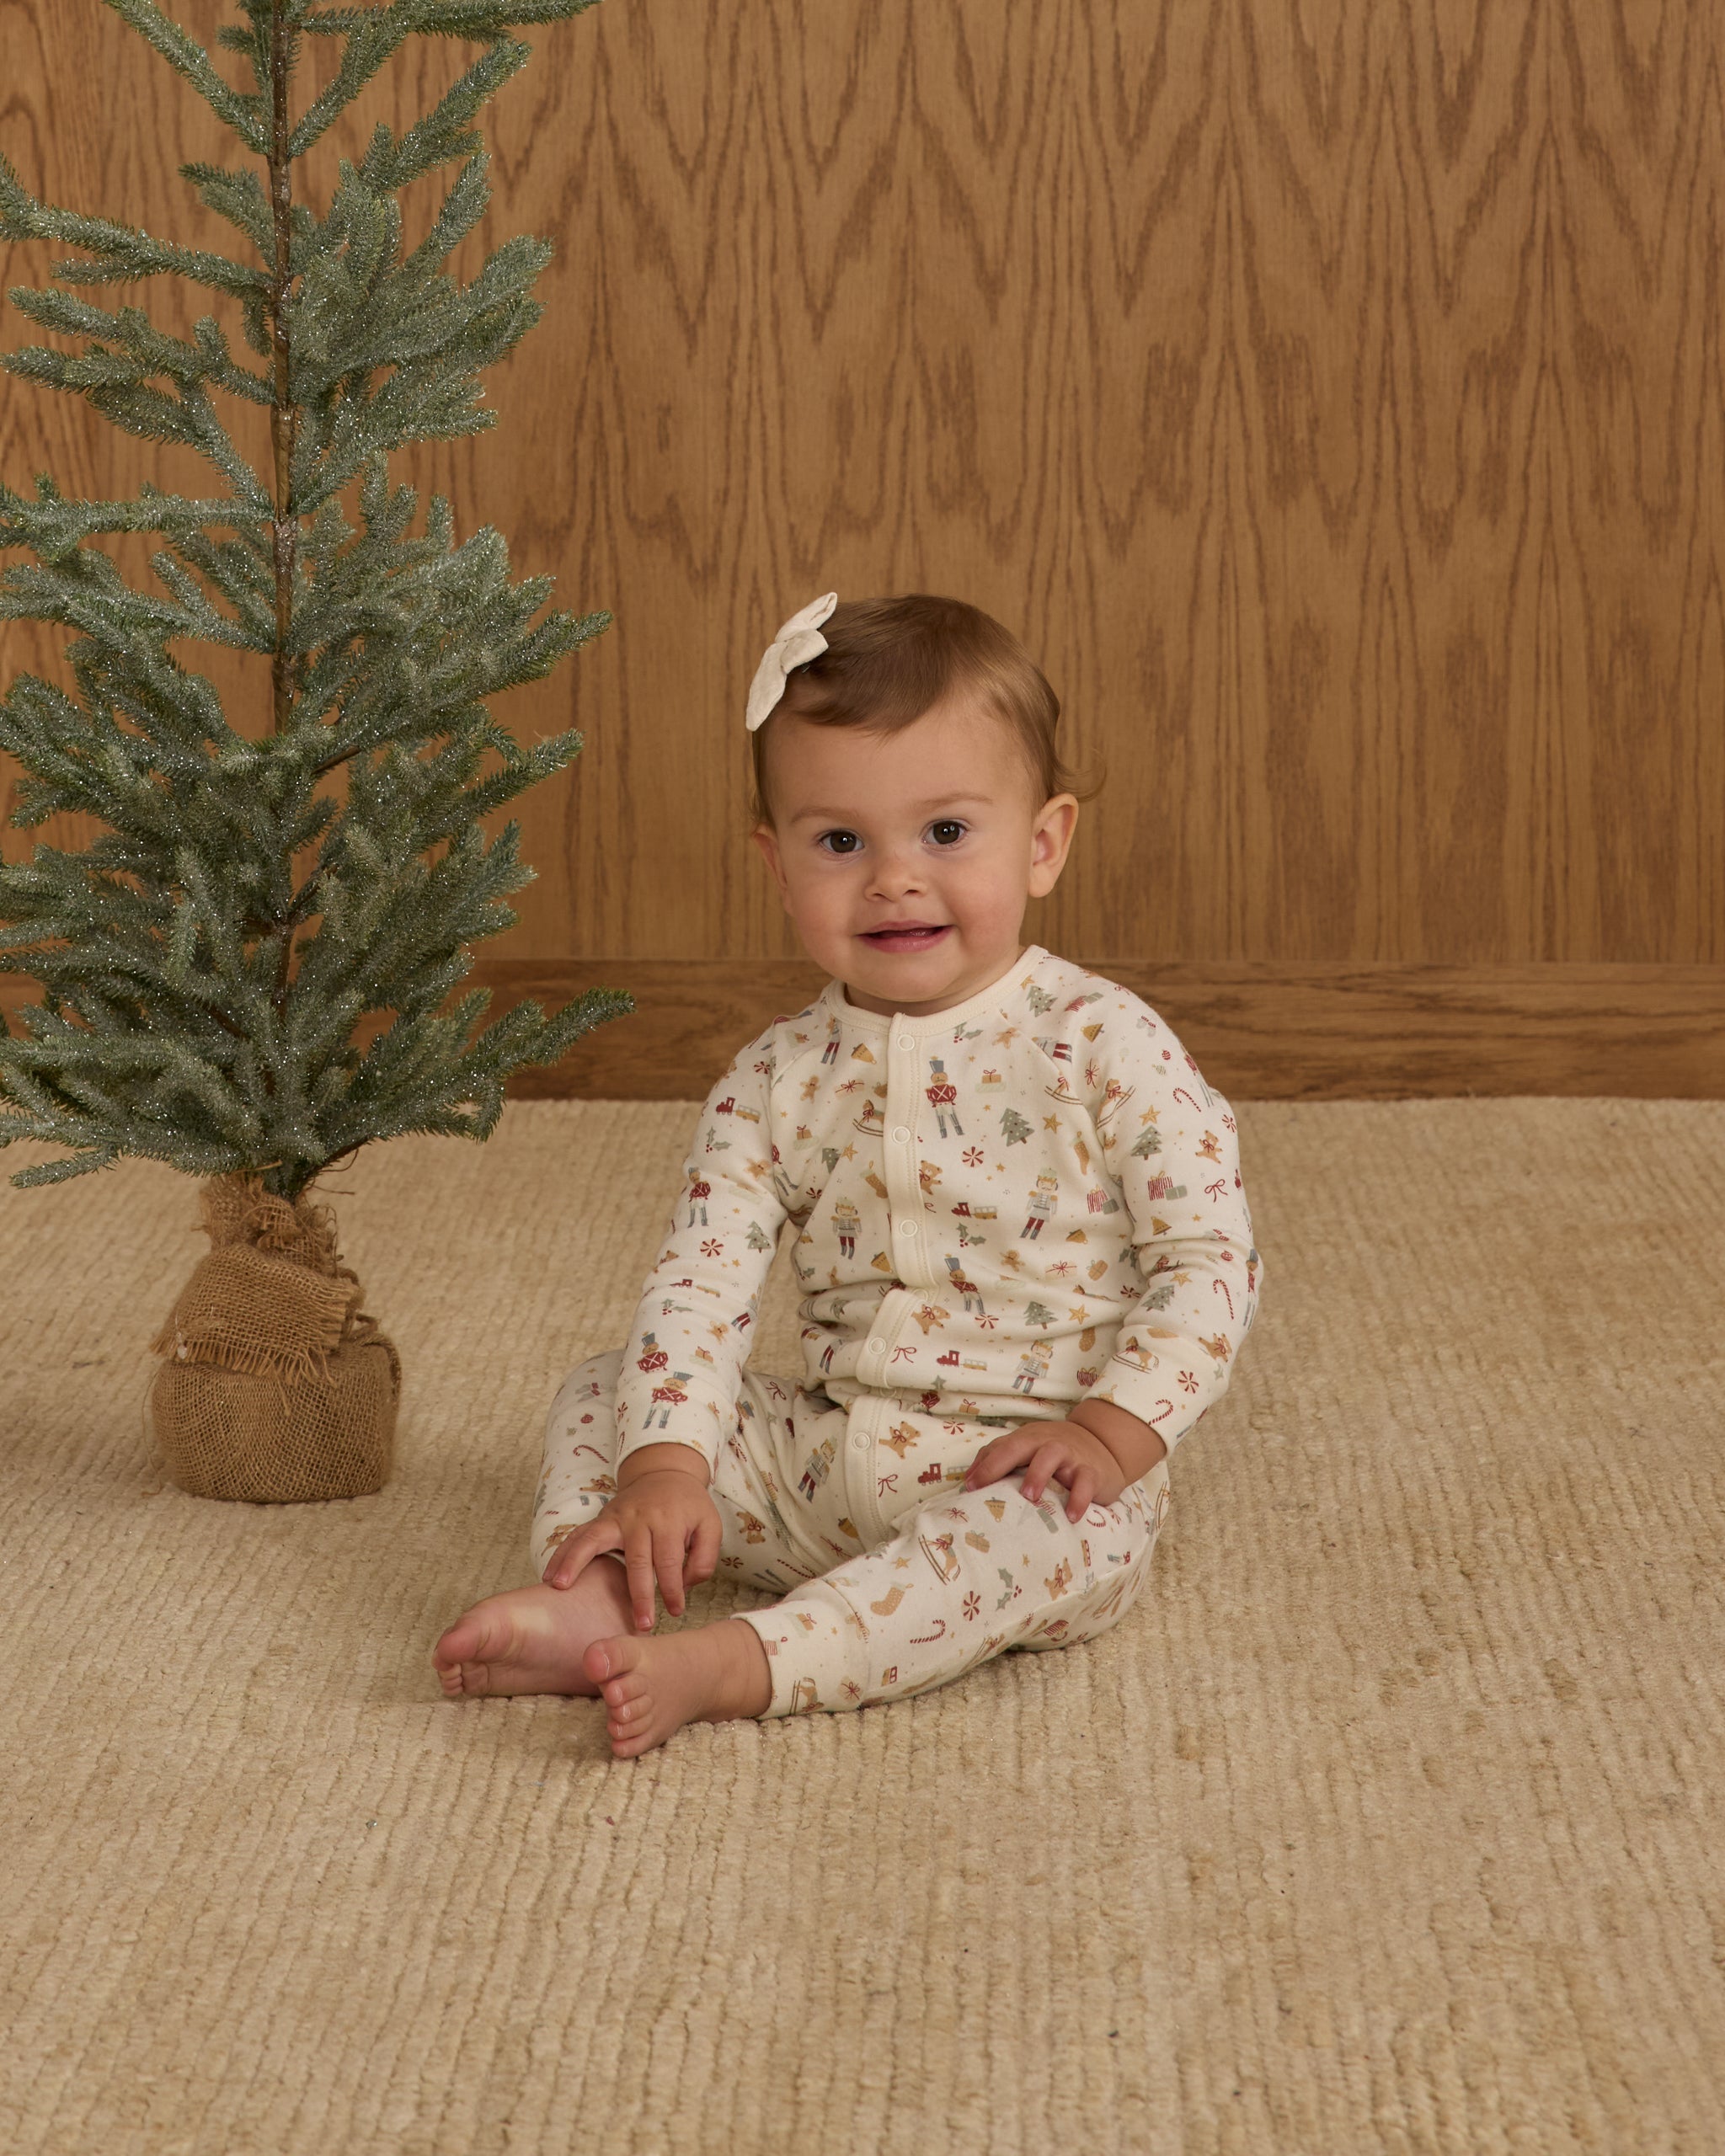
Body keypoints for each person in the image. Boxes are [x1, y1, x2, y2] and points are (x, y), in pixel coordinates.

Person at [432, 592, 1264, 1757]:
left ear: (1043, 844)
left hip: (1036, 1470)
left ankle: (747, 1662)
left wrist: (1113, 1434)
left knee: (1030, 1547)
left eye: (946, 833)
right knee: (612, 1390)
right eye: (840, 844)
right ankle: (603, 1594)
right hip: (827, 1460)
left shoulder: (1104, 1042)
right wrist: (666, 1466)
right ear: (778, 865)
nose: (893, 880)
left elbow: (1209, 1262)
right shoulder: (775, 1078)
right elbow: (700, 1286)